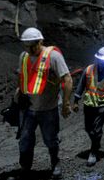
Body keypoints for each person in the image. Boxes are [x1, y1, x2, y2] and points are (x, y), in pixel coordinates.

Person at [15, 27, 72, 179]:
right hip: (28, 107)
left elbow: (67, 79)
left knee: (50, 139)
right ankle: (25, 167)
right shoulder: (24, 56)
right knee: (25, 140)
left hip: (48, 108)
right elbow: (22, 76)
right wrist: (19, 94)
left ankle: (55, 163)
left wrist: (66, 104)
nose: (29, 49)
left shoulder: (53, 57)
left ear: (40, 42)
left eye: (32, 46)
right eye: (26, 46)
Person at [72, 47, 104, 166]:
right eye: (101, 60)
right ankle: (96, 142)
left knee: (97, 130)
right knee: (88, 129)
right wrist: (76, 101)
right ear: (97, 59)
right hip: (89, 104)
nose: (103, 63)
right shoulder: (88, 70)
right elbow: (81, 85)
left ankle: (93, 153)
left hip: (102, 105)